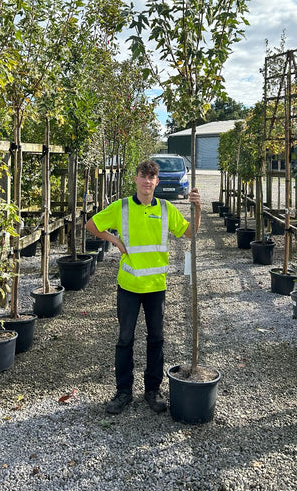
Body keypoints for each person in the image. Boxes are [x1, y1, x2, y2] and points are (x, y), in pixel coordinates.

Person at [86, 159, 201, 415]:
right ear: (136, 179)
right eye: (143, 176)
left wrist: (198, 208)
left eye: (152, 177)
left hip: (156, 287)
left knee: (156, 339)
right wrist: (114, 240)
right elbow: (91, 225)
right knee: (125, 339)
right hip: (128, 285)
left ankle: (152, 390)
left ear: (156, 182)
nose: (147, 181)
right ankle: (123, 392)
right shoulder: (122, 207)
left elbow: (191, 233)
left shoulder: (166, 208)